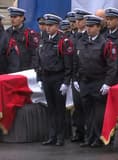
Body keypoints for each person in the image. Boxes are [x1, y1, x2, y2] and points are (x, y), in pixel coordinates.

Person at [73, 14, 117, 147]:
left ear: (98, 27)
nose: (88, 29)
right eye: (87, 26)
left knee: (98, 113)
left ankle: (98, 138)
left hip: (98, 81)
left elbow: (112, 66)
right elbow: (76, 62)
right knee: (87, 112)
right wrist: (75, 79)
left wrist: (107, 83)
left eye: (91, 26)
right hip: (85, 81)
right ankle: (89, 137)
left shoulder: (106, 43)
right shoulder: (82, 41)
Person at [36, 13, 74, 146]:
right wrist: (39, 77)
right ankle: (51, 136)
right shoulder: (43, 39)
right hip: (46, 78)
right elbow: (39, 61)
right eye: (46, 25)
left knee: (59, 109)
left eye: (50, 25)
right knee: (50, 108)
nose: (47, 28)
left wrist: (66, 82)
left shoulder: (63, 41)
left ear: (57, 26)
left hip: (58, 78)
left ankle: (60, 137)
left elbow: (69, 64)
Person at [70, 8, 92, 143]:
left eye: (80, 20)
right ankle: (79, 133)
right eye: (76, 20)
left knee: (87, 107)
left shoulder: (88, 37)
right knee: (77, 106)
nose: (77, 22)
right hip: (75, 76)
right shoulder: (73, 36)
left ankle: (89, 133)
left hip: (85, 76)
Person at [6, 7, 39, 73]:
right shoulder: (7, 32)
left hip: (24, 69)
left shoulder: (29, 34)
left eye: (15, 17)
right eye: (11, 17)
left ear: (22, 18)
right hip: (9, 69)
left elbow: (35, 54)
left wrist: (31, 70)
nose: (12, 19)